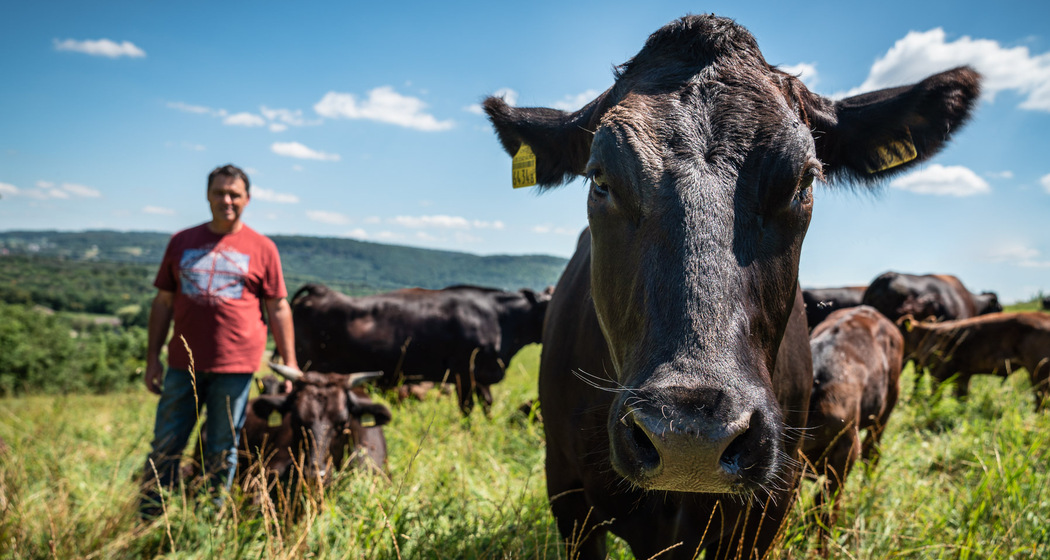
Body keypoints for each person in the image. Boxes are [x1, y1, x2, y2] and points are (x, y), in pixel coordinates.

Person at [139, 164, 298, 518]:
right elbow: (163, 302)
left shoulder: (262, 247)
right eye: (219, 193)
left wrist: (290, 364)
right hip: (183, 366)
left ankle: (208, 521)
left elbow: (278, 306)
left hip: (236, 367)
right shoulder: (181, 241)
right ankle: (150, 517)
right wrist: (153, 357)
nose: (226, 200)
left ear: (247, 199)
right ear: (207, 196)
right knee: (165, 443)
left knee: (223, 447)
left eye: (234, 194)